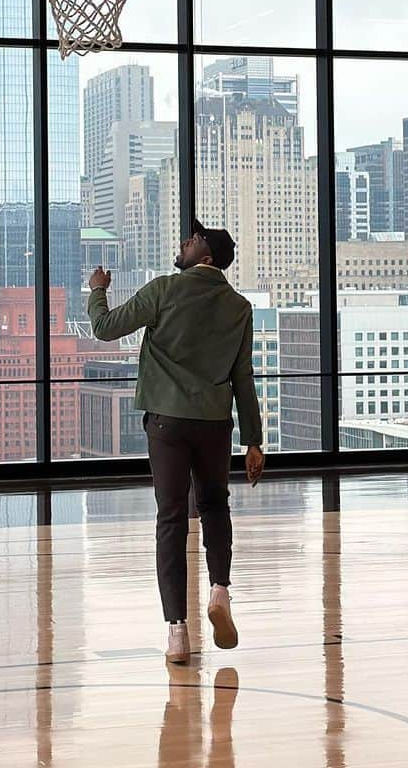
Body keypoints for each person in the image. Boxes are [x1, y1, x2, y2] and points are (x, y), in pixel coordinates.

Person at [88, 218, 265, 664]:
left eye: (194, 239)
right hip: (214, 424)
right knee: (214, 505)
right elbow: (243, 379)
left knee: (170, 520)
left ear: (205, 256)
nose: (185, 241)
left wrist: (97, 290)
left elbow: (106, 328)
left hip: (167, 423)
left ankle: (177, 634)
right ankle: (220, 590)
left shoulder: (164, 289)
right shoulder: (239, 307)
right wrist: (254, 441)